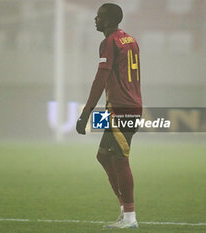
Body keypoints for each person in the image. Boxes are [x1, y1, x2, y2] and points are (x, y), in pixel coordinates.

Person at [76, 3, 142, 229]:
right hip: (121, 107)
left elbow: (101, 79)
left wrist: (86, 113)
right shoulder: (130, 40)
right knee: (103, 156)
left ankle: (130, 218)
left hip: (121, 109)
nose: (96, 19)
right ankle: (125, 211)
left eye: (100, 16)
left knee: (120, 160)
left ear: (111, 20)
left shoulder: (109, 42)